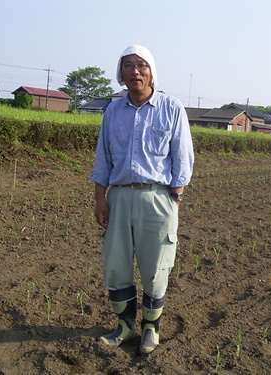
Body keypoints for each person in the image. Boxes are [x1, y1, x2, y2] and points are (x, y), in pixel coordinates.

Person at [90, 44, 194, 354]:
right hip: (120, 198)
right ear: (120, 74)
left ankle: (151, 327)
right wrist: (100, 199)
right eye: (128, 66)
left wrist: (173, 199)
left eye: (141, 65)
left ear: (151, 71)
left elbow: (182, 158)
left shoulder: (171, 108)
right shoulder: (113, 110)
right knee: (116, 265)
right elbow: (103, 159)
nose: (135, 71)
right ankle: (125, 326)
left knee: (156, 267)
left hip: (157, 198)